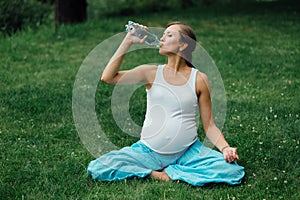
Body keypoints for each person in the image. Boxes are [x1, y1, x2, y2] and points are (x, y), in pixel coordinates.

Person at [87, 21, 245, 186]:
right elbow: (108, 77)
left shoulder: (199, 79)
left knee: (231, 170)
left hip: (189, 152)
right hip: (148, 152)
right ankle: (157, 174)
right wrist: (128, 41)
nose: (162, 38)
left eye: (169, 35)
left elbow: (210, 126)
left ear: (183, 45)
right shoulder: (150, 72)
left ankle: (170, 172)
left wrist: (225, 148)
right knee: (99, 167)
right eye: (163, 35)